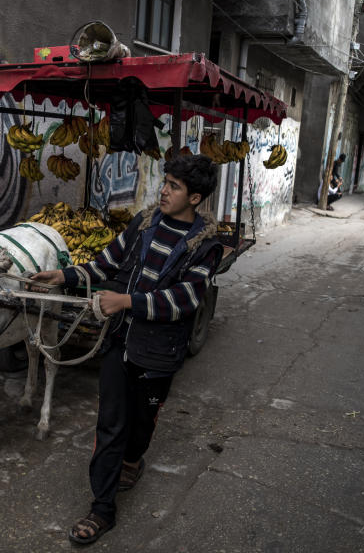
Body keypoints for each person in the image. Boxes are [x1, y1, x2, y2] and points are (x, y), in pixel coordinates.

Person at [30, 154, 223, 545]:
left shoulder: (207, 245)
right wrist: (65, 275)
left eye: (174, 186)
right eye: (165, 182)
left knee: (142, 424)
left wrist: (126, 301)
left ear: (196, 198)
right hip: (120, 342)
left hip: (159, 351)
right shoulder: (144, 223)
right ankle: (102, 509)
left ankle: (134, 460)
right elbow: (105, 263)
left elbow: (184, 300)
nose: (163, 190)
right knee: (111, 425)